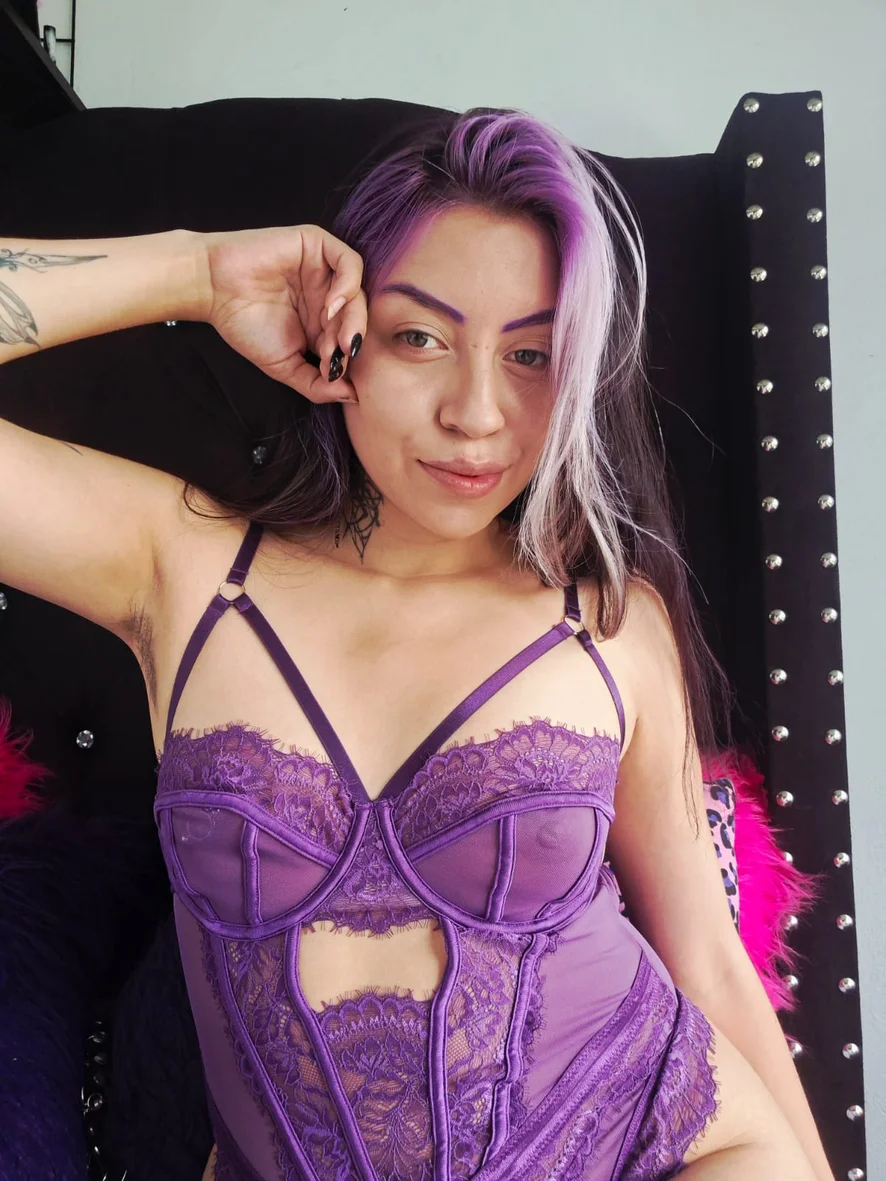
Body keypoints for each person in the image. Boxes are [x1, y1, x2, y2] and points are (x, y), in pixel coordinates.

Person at [0, 108, 827, 1180]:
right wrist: (196, 274)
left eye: (531, 354)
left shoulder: (607, 621)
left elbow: (706, 958)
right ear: (338, 329)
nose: (476, 413)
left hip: (662, 1146)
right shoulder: (184, 566)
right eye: (421, 337)